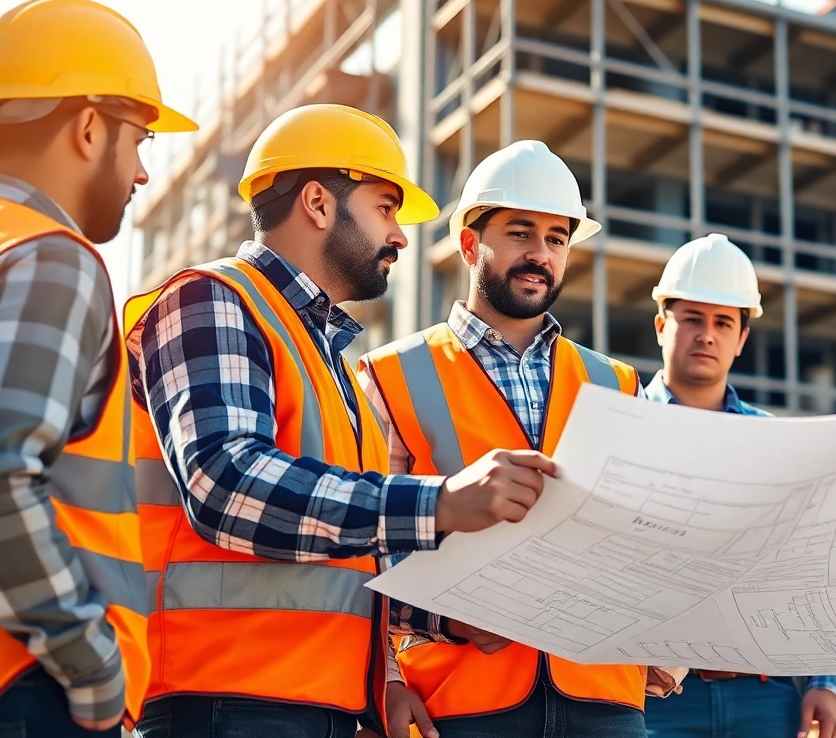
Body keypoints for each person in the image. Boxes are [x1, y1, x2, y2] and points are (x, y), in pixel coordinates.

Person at [125, 105, 548, 738]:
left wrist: (441, 626)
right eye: (385, 208)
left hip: (318, 708)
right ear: (319, 203)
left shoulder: (332, 367)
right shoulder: (210, 299)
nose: (400, 236)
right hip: (222, 701)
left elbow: (341, 560)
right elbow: (226, 484)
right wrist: (442, 503)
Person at [359, 140, 655, 738]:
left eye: (555, 239)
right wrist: (387, 679)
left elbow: (646, 537)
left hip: (604, 697)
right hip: (459, 701)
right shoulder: (391, 377)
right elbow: (364, 543)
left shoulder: (617, 382)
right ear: (470, 244)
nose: (538, 254)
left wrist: (666, 656)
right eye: (520, 233)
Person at [0, 0, 197, 737]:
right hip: (32, 684)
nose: (143, 173)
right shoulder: (50, 257)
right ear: (88, 128)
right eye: (139, 141)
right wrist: (92, 671)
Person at [642, 233, 836, 738]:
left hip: (765, 695)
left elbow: (810, 565)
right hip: (651, 698)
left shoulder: (775, 442)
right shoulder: (622, 428)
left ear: (741, 338)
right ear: (662, 324)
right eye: (692, 318)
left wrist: (825, 681)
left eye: (722, 322)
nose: (706, 335)